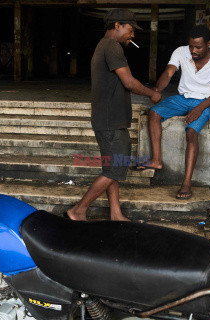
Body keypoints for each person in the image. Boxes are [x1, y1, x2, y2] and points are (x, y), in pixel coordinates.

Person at [66, 9, 162, 221]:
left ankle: (116, 213)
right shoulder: (112, 47)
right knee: (113, 169)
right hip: (110, 122)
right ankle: (78, 210)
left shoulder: (104, 46)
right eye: (130, 30)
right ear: (117, 25)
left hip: (108, 119)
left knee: (112, 168)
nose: (132, 35)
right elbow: (129, 82)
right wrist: (152, 93)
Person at [137, 25, 210, 200]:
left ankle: (186, 182)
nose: (193, 51)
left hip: (206, 101)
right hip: (184, 98)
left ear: (208, 44)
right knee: (154, 113)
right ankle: (156, 160)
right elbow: (169, 72)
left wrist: (200, 108)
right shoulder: (181, 52)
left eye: (198, 47)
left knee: (191, 132)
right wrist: (157, 89)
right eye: (191, 46)